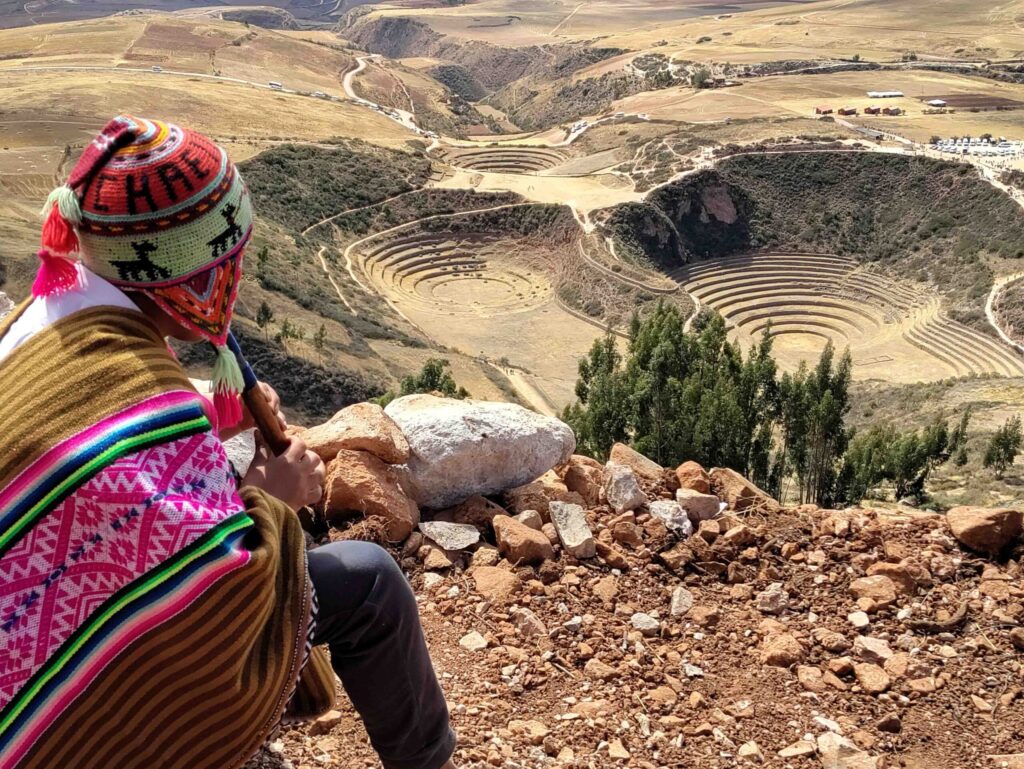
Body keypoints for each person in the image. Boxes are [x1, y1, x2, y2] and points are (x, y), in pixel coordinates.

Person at [0, 115, 456, 769]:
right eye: (226, 259)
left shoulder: (45, 317)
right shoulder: (142, 389)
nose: (233, 277)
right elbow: (211, 588)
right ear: (191, 271)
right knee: (374, 584)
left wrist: (214, 425)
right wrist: (275, 495)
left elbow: (104, 476)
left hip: (18, 670)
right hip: (49, 711)